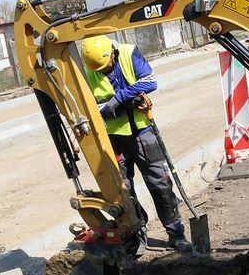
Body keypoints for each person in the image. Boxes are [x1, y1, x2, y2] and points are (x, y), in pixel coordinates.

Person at [80, 35, 192, 254]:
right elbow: (89, 108)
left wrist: (118, 98)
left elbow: (149, 81)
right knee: (124, 191)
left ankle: (176, 234)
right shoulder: (88, 70)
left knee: (161, 184)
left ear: (113, 52)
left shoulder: (129, 53)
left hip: (142, 132)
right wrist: (117, 105)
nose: (104, 71)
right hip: (112, 139)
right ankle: (136, 235)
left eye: (107, 66)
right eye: (99, 69)